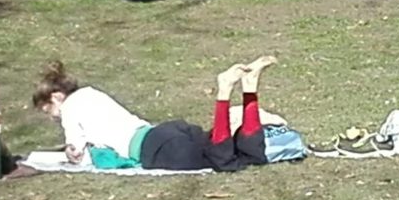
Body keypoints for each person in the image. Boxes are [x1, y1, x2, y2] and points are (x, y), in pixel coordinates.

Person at [32, 57, 278, 172]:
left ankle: (224, 90)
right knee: (250, 155)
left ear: (55, 97)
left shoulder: (69, 108)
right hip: (165, 132)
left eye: (48, 111)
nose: (52, 117)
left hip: (152, 147)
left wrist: (71, 151)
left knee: (222, 159)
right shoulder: (90, 92)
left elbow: (75, 148)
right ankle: (249, 88)